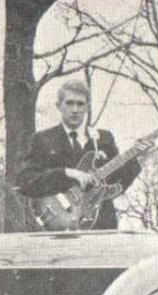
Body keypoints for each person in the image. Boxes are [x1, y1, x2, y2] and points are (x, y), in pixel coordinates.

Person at [16, 79, 144, 230]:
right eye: (69, 103)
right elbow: (26, 182)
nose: (75, 110)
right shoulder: (42, 139)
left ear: (87, 107)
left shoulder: (104, 138)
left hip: (101, 225)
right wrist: (66, 173)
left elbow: (117, 185)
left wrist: (136, 158)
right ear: (59, 105)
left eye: (80, 104)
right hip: (58, 227)